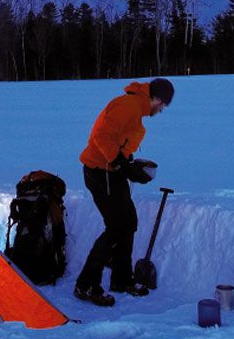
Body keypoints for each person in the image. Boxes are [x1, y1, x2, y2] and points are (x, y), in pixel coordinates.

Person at [74, 78, 174, 306]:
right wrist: (120, 163)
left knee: (128, 221)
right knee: (117, 227)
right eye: (163, 105)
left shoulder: (135, 110)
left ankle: (121, 279)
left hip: (111, 171)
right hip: (101, 172)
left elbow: (118, 142)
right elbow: (102, 135)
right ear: (156, 99)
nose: (162, 110)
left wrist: (130, 166)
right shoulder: (127, 105)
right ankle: (86, 284)